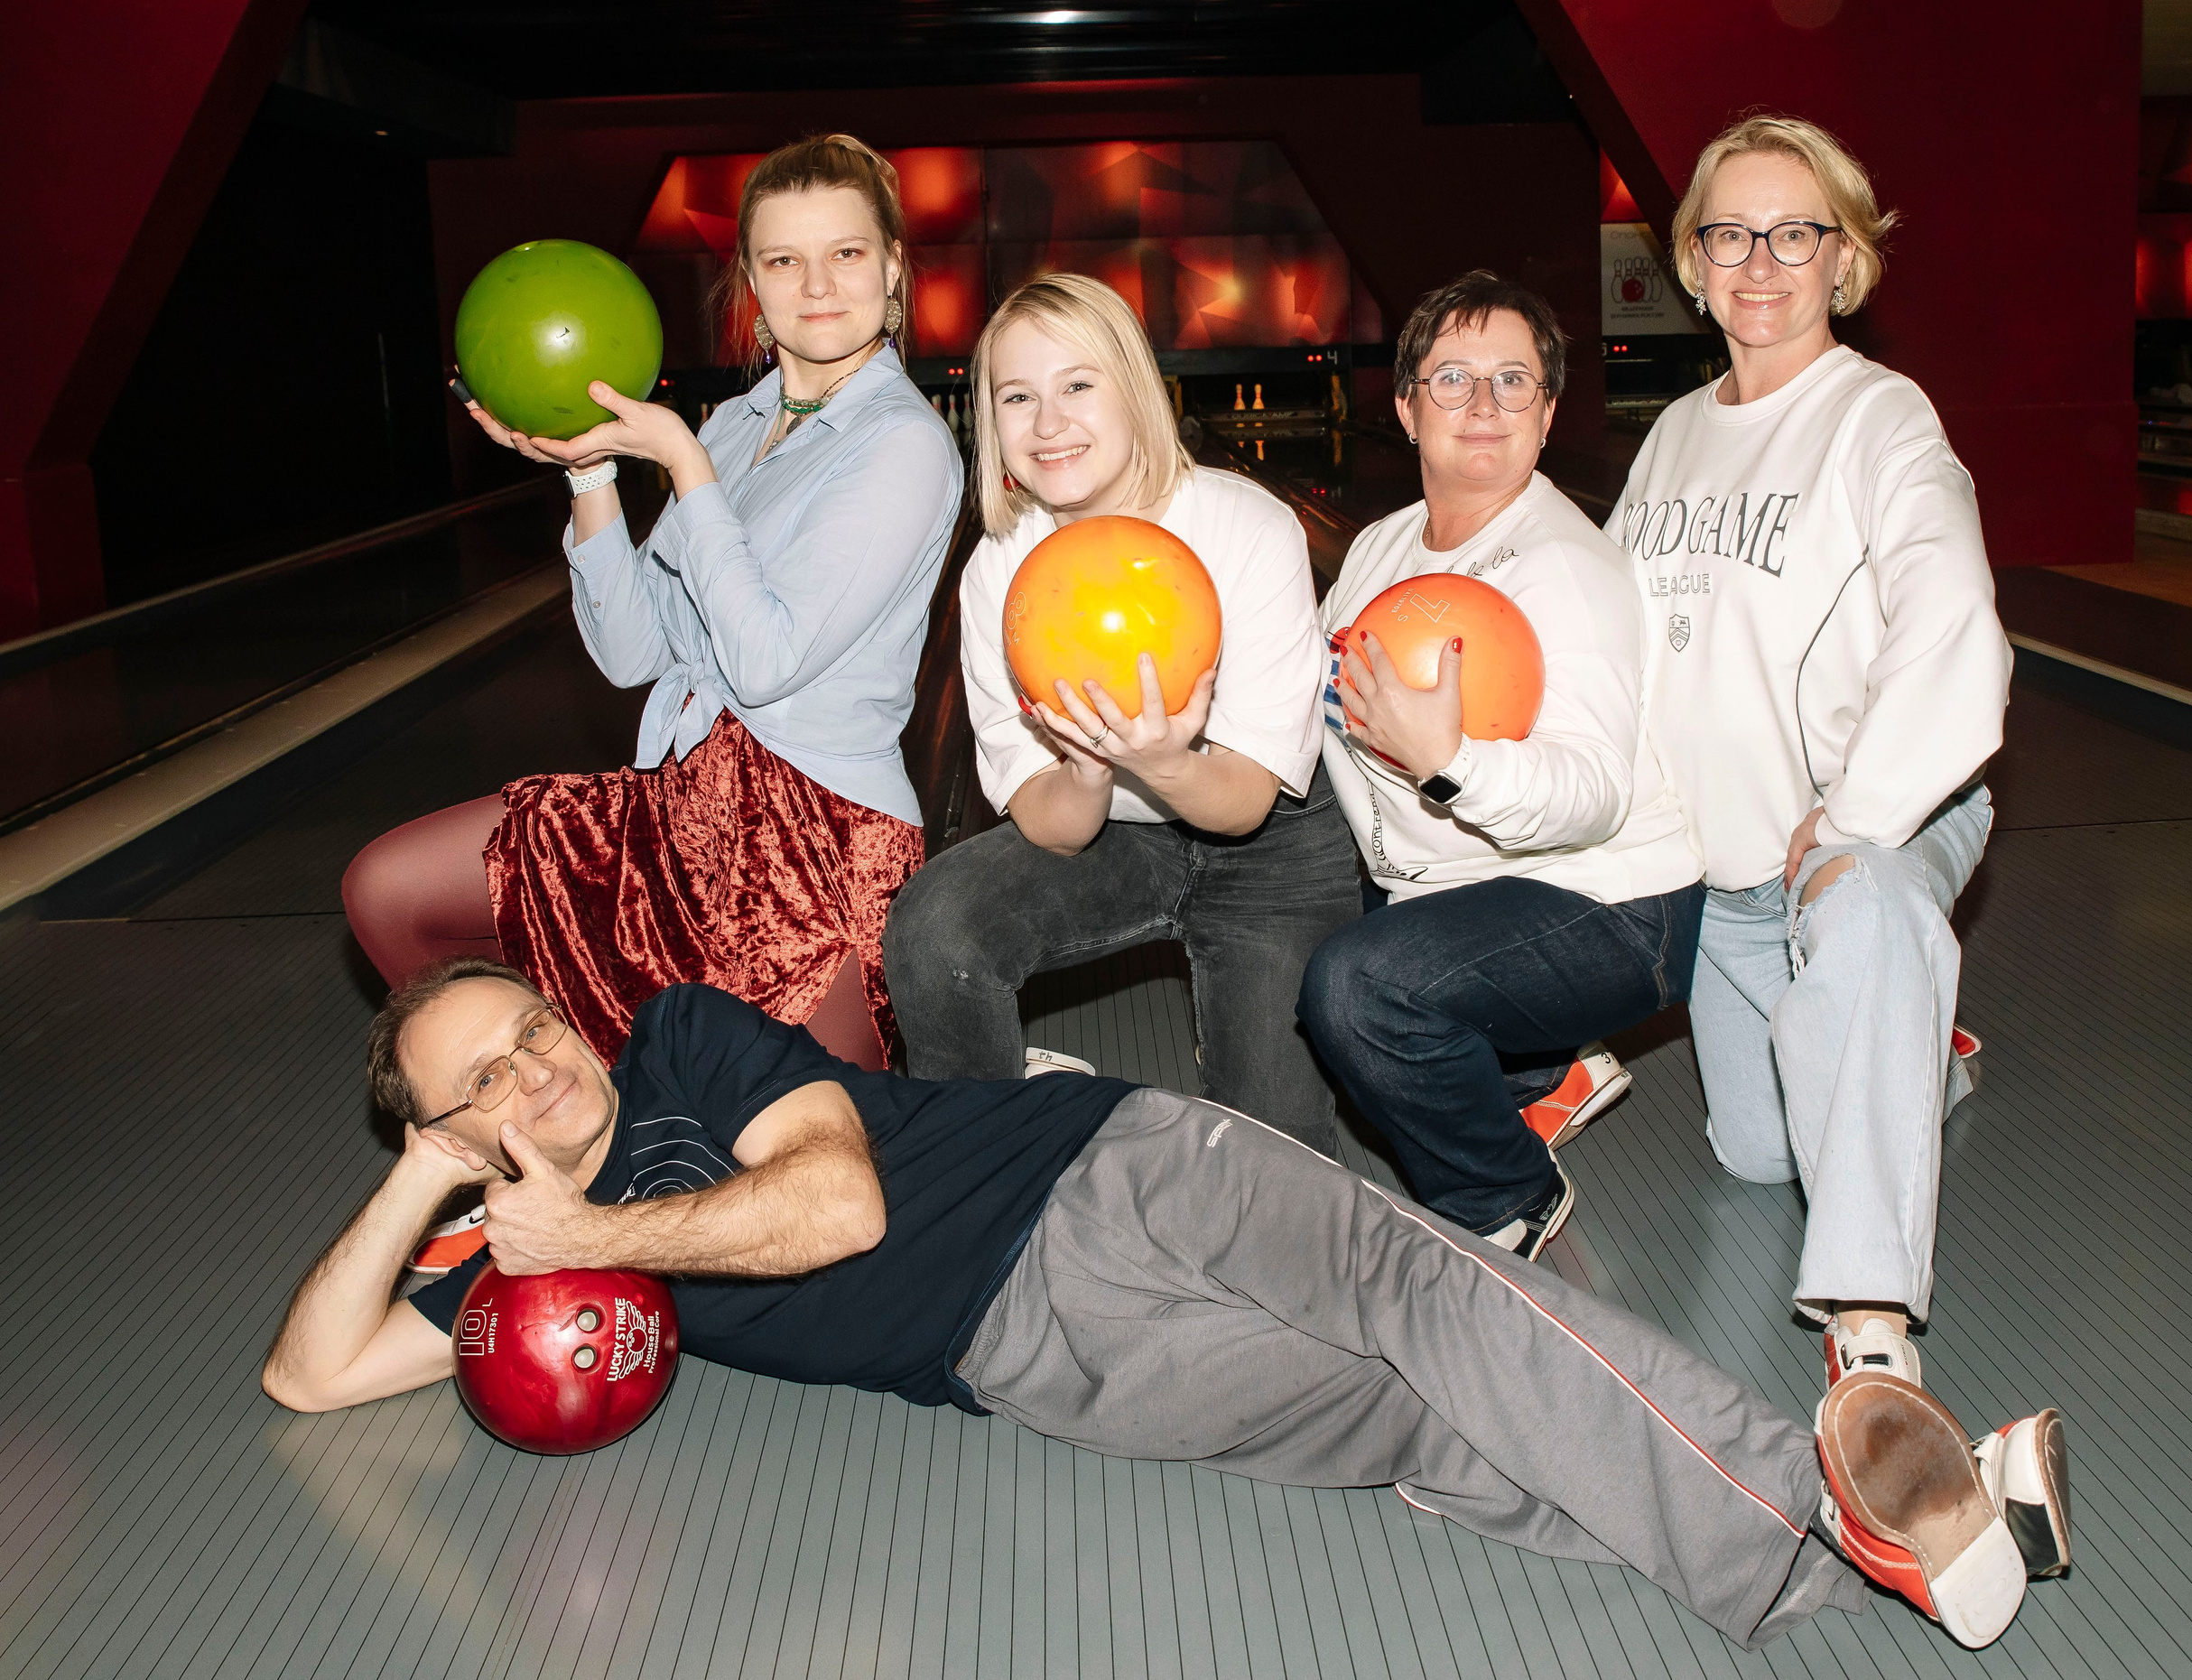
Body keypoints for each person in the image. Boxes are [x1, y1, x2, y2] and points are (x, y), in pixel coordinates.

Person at [262, 958, 2073, 1649]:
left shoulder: (672, 1040)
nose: (532, 1077)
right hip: (1033, 1357)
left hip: (1103, 1163)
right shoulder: (509, 1246)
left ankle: (1798, 1525)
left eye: (527, 1036)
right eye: (476, 1085)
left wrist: (591, 1239)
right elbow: (312, 1375)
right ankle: (1886, 1544)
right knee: (1413, 1422)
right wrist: (431, 1183)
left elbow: (826, 1206)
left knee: (1414, 1284)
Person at [339, 135, 963, 1063]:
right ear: (751, 277)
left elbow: (765, 663)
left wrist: (684, 467)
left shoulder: (903, 444)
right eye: (784, 260)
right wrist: (591, 476)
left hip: (814, 845)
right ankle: (544, 1113)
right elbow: (635, 655)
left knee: (825, 1178)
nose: (818, 284)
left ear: (894, 270)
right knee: (386, 888)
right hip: (675, 806)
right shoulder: (737, 425)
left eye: (847, 253)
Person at [1611, 116, 2017, 1403]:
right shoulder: (1672, 435)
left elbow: (1953, 616)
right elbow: (1611, 642)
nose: (1762, 261)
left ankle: (1874, 1328)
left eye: (1798, 233)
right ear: (1692, 262)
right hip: (1727, 875)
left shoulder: (1880, 418)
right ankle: (1911, 1048)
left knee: (1876, 908)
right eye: (1731, 233)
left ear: (1843, 260)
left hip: (1869, 821)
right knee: (1754, 1157)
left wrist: (1861, 814)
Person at [880, 274, 1361, 1155]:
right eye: (1016, 397)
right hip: (1115, 832)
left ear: (1134, 387)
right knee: (934, 926)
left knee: (1273, 1156)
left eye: (1077, 385)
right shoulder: (1001, 569)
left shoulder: (1247, 529)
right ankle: (982, 1171)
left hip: (1270, 846)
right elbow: (1055, 828)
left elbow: (1247, 802)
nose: (1047, 421)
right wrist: (1089, 768)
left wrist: (1171, 761)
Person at [1295, 272, 1705, 1261]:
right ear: (1404, 406)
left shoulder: (1561, 566)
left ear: (1548, 410)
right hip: (1473, 888)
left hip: (1612, 905)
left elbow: (1590, 797)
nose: (1482, 405)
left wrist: (1448, 761)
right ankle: (1534, 1072)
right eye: (1452, 379)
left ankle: (1503, 1201)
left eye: (1513, 381)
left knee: (1356, 990)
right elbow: (1320, 709)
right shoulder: (1386, 547)